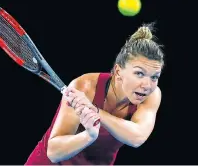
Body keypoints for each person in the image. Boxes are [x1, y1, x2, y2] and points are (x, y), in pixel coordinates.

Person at [25, 22, 165, 165]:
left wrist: (96, 112)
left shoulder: (151, 95)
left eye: (154, 77)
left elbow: (137, 137)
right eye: (139, 73)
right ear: (118, 72)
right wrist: (88, 136)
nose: (147, 85)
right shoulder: (85, 87)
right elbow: (54, 152)